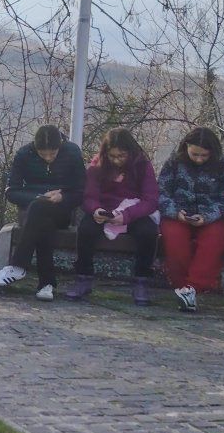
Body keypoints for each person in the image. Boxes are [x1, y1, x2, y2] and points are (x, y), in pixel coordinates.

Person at [0, 124, 87, 300]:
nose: (48, 158)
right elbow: (12, 191)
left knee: (39, 213)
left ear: (60, 146)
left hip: (61, 210)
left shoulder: (72, 153)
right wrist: (38, 197)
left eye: (53, 154)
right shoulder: (24, 154)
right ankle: (47, 284)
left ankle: (18, 266)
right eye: (43, 154)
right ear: (35, 148)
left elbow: (81, 191)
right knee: (41, 217)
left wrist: (62, 196)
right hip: (30, 210)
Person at [65, 127, 160, 305]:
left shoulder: (142, 166)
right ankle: (83, 277)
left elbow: (151, 200)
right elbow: (89, 195)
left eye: (121, 156)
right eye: (112, 156)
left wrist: (127, 215)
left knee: (148, 232)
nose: (116, 160)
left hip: (133, 211)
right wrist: (95, 210)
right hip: (104, 211)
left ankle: (142, 280)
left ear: (130, 152)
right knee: (86, 229)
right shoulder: (97, 167)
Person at [157, 126, 224, 313]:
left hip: (212, 217)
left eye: (204, 155)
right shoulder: (174, 162)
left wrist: (208, 216)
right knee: (174, 239)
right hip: (177, 214)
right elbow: (161, 192)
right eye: (195, 154)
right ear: (186, 147)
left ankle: (193, 287)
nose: (199, 159)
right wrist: (175, 212)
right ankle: (180, 287)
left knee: (214, 240)